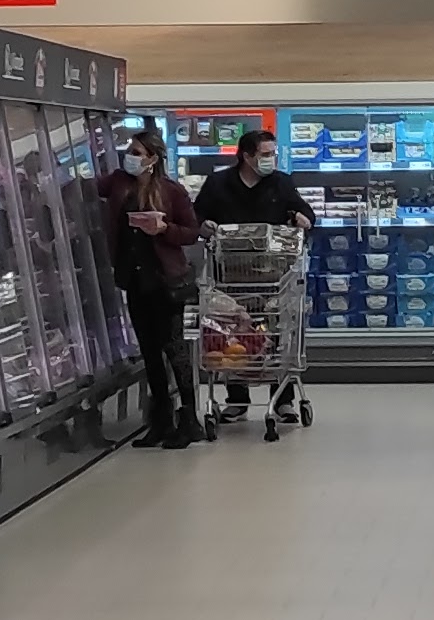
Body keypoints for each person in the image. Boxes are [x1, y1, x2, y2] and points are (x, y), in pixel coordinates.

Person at [193, 119, 312, 422]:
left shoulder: (281, 183)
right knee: (232, 335)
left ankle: (282, 399)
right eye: (265, 154)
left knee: (279, 332)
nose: (271, 159)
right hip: (230, 274)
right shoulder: (218, 184)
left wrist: (303, 219)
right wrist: (204, 226)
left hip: (275, 276)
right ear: (246, 156)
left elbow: (305, 213)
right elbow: (196, 217)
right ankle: (237, 398)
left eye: (273, 153)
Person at [102, 121, 199, 447]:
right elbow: (83, 188)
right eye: (129, 151)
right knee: (149, 352)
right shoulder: (119, 183)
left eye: (136, 152)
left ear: (152, 159)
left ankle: (189, 420)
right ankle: (160, 421)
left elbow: (191, 232)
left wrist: (164, 229)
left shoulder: (171, 192)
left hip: (165, 280)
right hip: (134, 279)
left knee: (175, 349)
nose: (129, 157)